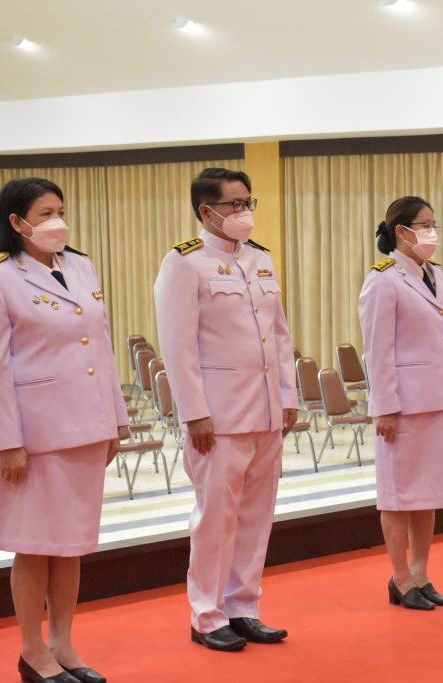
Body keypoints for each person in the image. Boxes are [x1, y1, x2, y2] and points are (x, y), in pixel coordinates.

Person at [0, 177, 129, 683]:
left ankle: (63, 643)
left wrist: (115, 420)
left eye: (60, 209)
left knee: (72, 544)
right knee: (35, 545)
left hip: (85, 428)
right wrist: (8, 442)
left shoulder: (80, 266)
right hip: (33, 437)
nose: (58, 220)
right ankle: (32, 651)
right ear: (17, 222)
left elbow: (101, 347)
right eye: (46, 211)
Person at [155, 167, 297, 651]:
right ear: (206, 211)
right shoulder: (184, 263)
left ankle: (244, 607)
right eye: (234, 205)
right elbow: (178, 347)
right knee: (216, 518)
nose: (244, 213)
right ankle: (207, 614)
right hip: (218, 417)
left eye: (248, 202)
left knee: (257, 516)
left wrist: (289, 395)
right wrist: (194, 413)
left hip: (266, 411)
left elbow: (279, 335)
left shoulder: (261, 259)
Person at [358, 196, 443, 610]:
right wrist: (383, 406)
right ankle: (400, 577)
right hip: (403, 405)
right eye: (424, 224)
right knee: (399, 495)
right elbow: (377, 350)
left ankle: (421, 573)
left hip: (437, 398)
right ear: (401, 231)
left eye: (434, 223)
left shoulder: (434, 274)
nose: (431, 232)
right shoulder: (383, 279)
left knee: (430, 493)